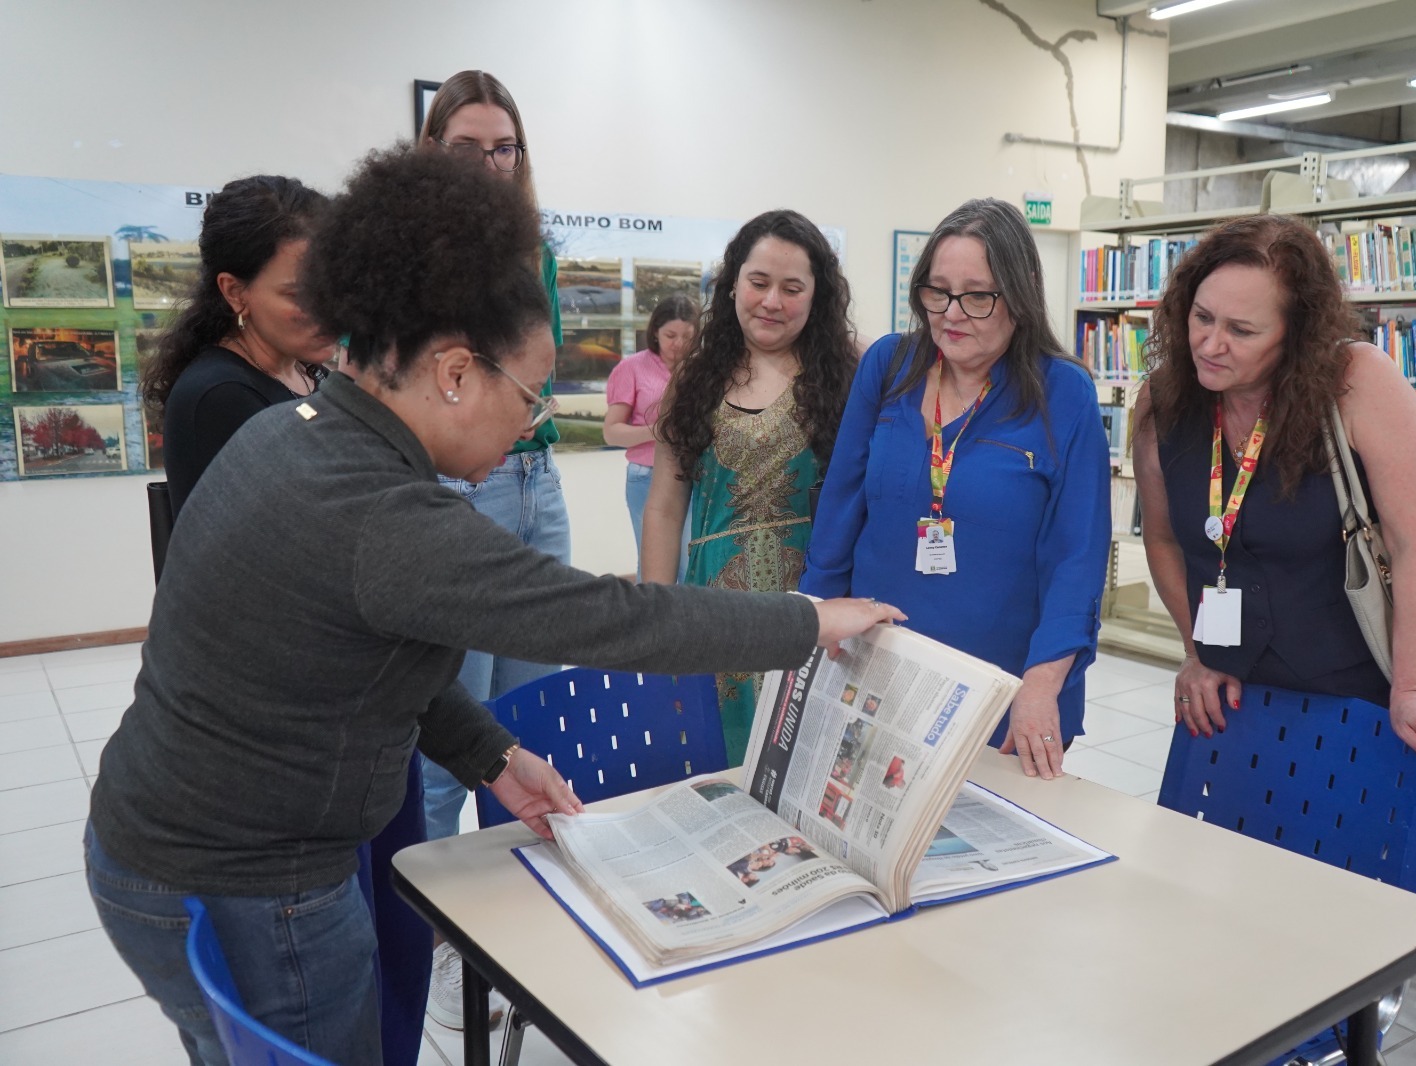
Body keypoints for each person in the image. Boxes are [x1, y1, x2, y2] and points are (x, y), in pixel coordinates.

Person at [83, 146, 902, 1066]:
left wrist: (490, 756)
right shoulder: (385, 512)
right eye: (529, 392)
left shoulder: (298, 434)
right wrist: (812, 622)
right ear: (455, 371)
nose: (536, 419)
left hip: (158, 847)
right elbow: (607, 617)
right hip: (243, 880)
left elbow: (356, 652)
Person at [1130, 214, 1416, 775]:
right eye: (1202, 317)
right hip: (1231, 699)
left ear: (1296, 334)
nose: (1211, 344)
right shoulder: (1164, 398)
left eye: (1242, 331)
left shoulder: (1359, 384)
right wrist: (1196, 651)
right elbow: (1165, 538)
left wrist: (1411, 691)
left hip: (1356, 697)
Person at [800, 198, 1111, 780]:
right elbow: (840, 506)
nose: (951, 312)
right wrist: (813, 618)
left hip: (1004, 682)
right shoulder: (889, 366)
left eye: (977, 295)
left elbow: (1078, 554)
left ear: (1018, 296)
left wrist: (1044, 682)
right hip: (880, 661)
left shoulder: (1062, 392)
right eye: (936, 291)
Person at [412, 74, 571, 1021]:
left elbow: (529, 361)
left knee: (531, 713)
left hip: (535, 478)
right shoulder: (404, 255)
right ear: (434, 152)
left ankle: (521, 915)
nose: (490, 163)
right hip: (452, 486)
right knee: (452, 719)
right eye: (469, 148)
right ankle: (435, 929)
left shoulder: (533, 249)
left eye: (504, 147)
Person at [643, 209, 856, 763]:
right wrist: (655, 619)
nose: (772, 302)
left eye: (792, 288)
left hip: (815, 608)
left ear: (817, 297)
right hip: (714, 611)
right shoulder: (692, 380)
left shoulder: (848, 377)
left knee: (809, 764)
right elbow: (665, 508)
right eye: (759, 283)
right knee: (719, 764)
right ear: (732, 281)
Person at [139, 175, 336, 517]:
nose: (328, 308)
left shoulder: (303, 372)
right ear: (234, 291)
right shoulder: (219, 396)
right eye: (299, 294)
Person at [605, 293, 698, 577]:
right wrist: (658, 431)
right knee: (654, 563)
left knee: (689, 562)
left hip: (692, 475)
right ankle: (653, 621)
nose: (678, 344)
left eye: (687, 336)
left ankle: (685, 621)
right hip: (646, 476)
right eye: (670, 335)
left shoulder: (700, 369)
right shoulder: (631, 368)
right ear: (655, 332)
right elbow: (612, 432)